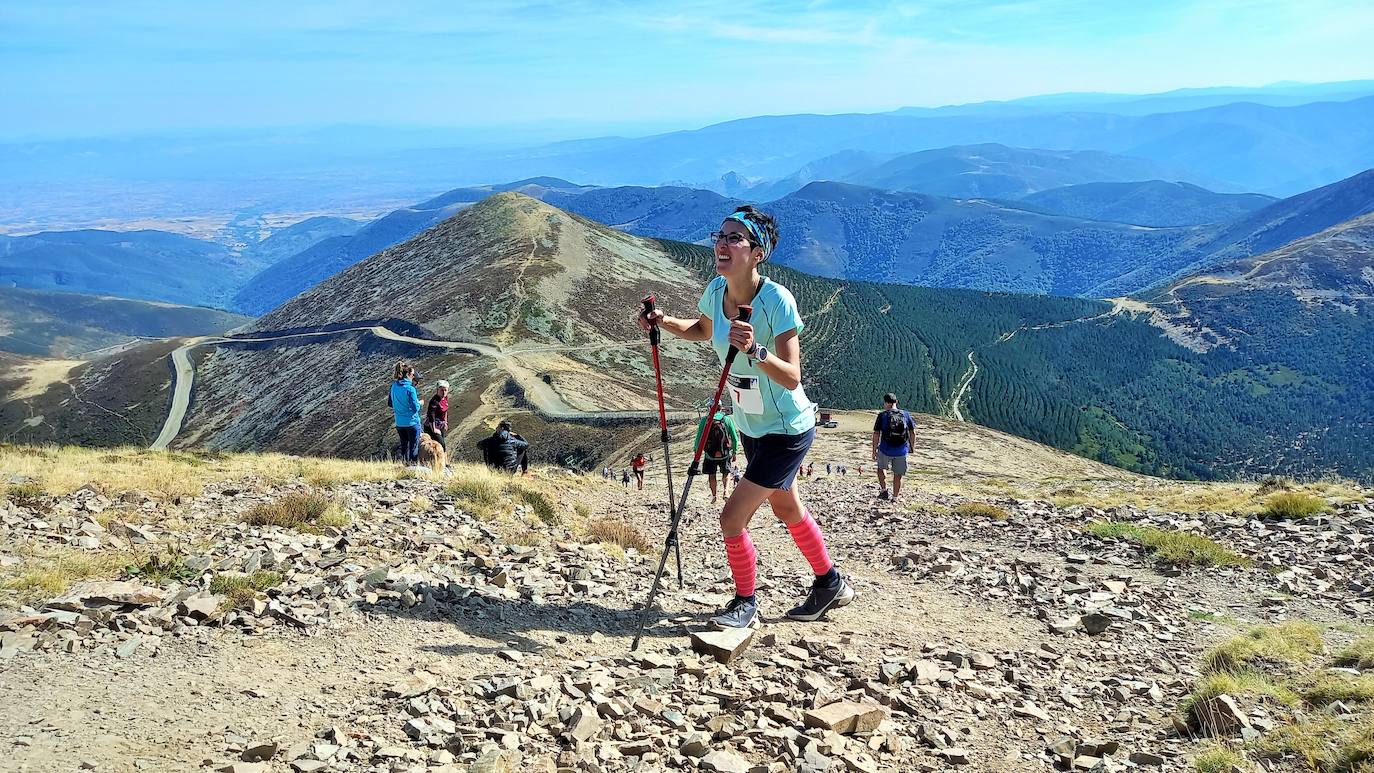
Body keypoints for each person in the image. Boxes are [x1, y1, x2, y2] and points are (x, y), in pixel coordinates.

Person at [637, 204, 854, 627]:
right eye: (720, 235)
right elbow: (703, 330)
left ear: (758, 253)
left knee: (731, 517)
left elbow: (792, 377)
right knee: (788, 509)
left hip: (787, 429)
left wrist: (756, 350)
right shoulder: (715, 292)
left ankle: (745, 603)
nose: (721, 243)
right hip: (751, 426)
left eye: (734, 238)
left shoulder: (776, 301)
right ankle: (830, 584)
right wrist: (663, 321)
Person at [872, 392, 917, 501]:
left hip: (885, 450)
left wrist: (874, 450)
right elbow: (913, 432)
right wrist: (912, 447)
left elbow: (876, 434)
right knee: (898, 475)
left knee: (881, 469)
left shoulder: (882, 415)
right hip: (901, 451)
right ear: (896, 402)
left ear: (886, 403)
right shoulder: (905, 414)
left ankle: (884, 491)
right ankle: (895, 498)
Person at [694, 409, 741, 504]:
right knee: (726, 472)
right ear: (721, 408)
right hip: (725, 454)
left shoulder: (705, 420)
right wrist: (735, 451)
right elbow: (734, 437)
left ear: (710, 408)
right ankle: (726, 492)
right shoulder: (727, 419)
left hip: (710, 455)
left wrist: (696, 451)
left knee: (712, 474)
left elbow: (699, 437)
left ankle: (714, 495)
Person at [388, 361, 422, 464]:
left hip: (399, 422)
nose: (413, 376)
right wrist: (420, 403)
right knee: (413, 447)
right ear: (408, 375)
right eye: (412, 374)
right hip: (412, 422)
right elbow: (415, 407)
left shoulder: (393, 386)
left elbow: (390, 403)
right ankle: (412, 467)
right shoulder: (410, 389)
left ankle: (403, 464)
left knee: (404, 446)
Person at [423, 380, 450, 450]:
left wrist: (445, 423)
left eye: (445, 390)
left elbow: (445, 411)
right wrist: (434, 429)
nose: (444, 392)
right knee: (441, 444)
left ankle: (442, 459)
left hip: (441, 424)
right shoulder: (434, 401)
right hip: (431, 426)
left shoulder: (445, 398)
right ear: (437, 390)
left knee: (441, 444)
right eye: (441, 390)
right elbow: (431, 415)